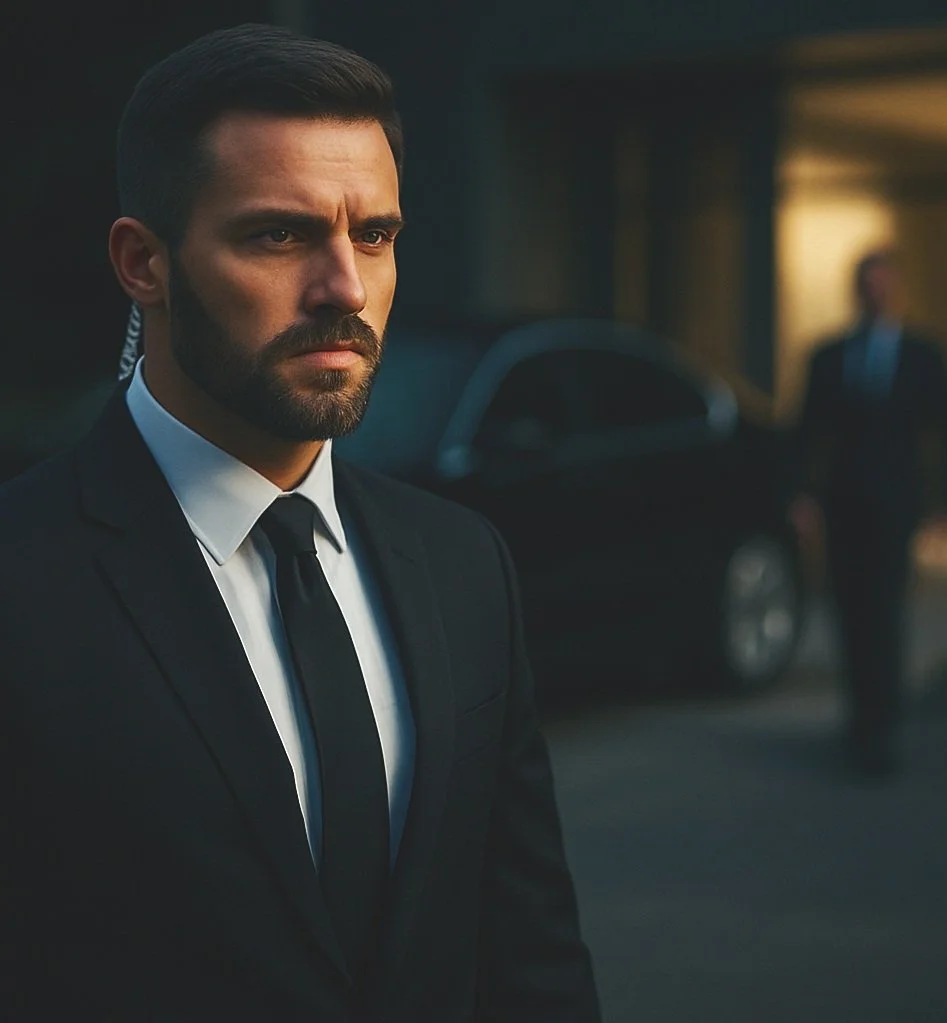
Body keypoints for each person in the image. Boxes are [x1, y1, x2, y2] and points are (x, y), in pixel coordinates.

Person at [0, 24, 600, 1022]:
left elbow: (528, 953)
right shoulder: (22, 579)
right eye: (278, 235)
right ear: (142, 263)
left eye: (375, 234)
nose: (345, 288)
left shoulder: (462, 566)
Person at [790, 249, 947, 779]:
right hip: (843, 504)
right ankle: (860, 717)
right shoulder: (829, 354)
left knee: (884, 614)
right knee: (848, 612)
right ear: (857, 292)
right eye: (869, 286)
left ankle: (882, 726)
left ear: (898, 291)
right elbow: (807, 430)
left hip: (896, 506)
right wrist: (801, 496)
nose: (877, 295)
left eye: (885, 286)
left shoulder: (922, 356)